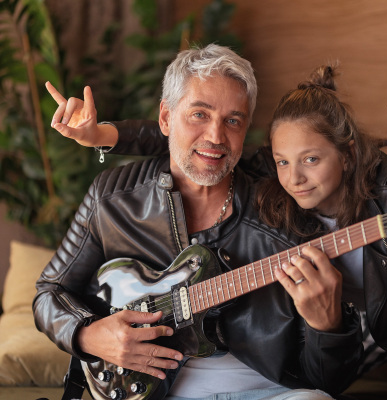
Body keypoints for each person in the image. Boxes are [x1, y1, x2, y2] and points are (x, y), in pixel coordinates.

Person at [47, 62, 387, 399]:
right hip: (354, 317)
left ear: (346, 152)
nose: (295, 177)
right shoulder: (264, 174)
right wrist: (102, 136)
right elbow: (190, 137)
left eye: (312, 160)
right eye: (283, 161)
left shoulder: (386, 184)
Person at [34, 45, 365, 400]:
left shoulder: (282, 204)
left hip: (269, 391)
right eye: (199, 115)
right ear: (165, 118)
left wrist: (328, 326)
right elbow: (49, 293)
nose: (216, 137)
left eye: (233, 121)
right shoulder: (112, 198)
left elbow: (329, 378)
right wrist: (88, 334)